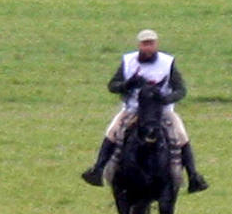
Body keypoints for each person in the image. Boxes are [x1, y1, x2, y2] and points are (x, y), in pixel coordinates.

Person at [81, 29, 209, 193]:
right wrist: (128, 85)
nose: (148, 48)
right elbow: (112, 86)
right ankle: (97, 170)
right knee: (112, 131)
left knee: (181, 135)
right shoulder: (128, 61)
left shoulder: (167, 63)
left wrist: (166, 99)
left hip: (162, 111)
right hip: (133, 109)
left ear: (156, 45)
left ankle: (193, 177)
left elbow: (180, 90)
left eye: (151, 44)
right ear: (139, 45)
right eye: (145, 44)